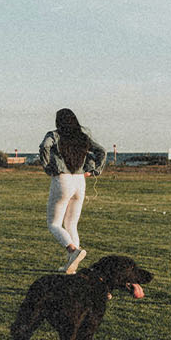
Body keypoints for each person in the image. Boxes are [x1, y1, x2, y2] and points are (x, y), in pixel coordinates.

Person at [38, 108, 108, 273]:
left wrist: (48, 167)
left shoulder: (54, 135)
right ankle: (72, 266)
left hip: (63, 179)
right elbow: (102, 151)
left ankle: (72, 251)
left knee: (54, 224)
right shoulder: (82, 137)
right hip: (80, 181)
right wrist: (94, 170)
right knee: (71, 224)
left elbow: (44, 147)